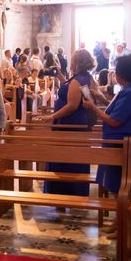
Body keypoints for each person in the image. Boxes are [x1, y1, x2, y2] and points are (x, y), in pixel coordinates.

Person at [82, 55, 131, 237]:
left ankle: (122, 226)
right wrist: (102, 99)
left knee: (120, 186)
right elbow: (116, 110)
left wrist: (92, 107)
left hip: (122, 144)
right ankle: (117, 222)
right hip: (116, 142)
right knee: (115, 185)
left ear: (121, 75)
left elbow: (114, 121)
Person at [43, 49, 98, 197]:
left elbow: (72, 105)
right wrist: (61, 76)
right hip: (78, 122)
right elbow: (72, 91)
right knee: (76, 157)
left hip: (69, 123)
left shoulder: (78, 80)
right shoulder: (86, 77)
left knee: (66, 158)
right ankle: (75, 192)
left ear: (76, 62)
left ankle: (65, 193)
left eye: (73, 60)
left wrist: (52, 116)